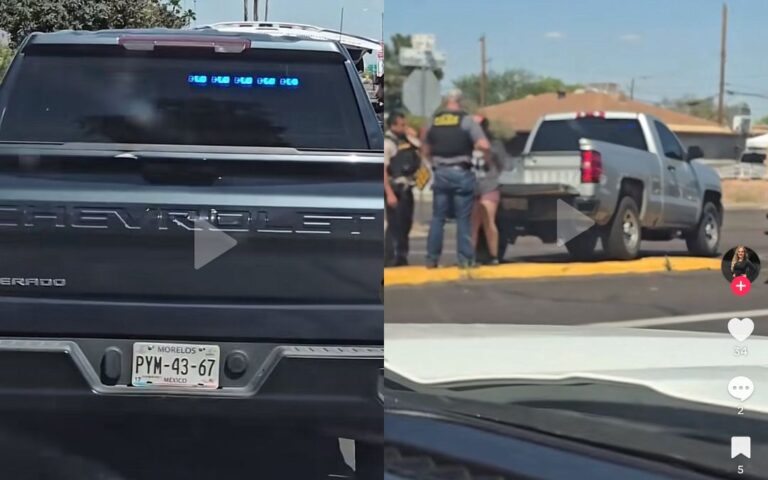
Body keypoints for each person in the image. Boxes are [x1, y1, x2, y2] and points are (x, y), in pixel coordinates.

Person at [423, 89, 491, 268]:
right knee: (463, 218)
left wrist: (433, 164)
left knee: (438, 217)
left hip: (440, 173)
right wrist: (485, 156)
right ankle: (465, 259)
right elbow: (484, 144)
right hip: (461, 172)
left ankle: (431, 259)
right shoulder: (467, 121)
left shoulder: (433, 120)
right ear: (460, 102)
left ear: (446, 102)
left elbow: (425, 147)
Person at [384, 111, 421, 267]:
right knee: (395, 225)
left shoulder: (405, 140)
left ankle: (402, 257)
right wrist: (390, 194)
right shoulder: (388, 143)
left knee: (406, 224)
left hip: (407, 188)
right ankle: (390, 258)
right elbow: (383, 171)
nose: (405, 127)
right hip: (395, 189)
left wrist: (414, 136)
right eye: (402, 124)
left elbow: (422, 149)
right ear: (393, 125)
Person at [471, 115, 503, 265]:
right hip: (471, 188)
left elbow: (503, 164)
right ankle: (469, 256)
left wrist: (487, 153)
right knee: (472, 223)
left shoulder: (494, 145)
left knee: (489, 221)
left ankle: (493, 255)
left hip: (489, 186)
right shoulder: (465, 144)